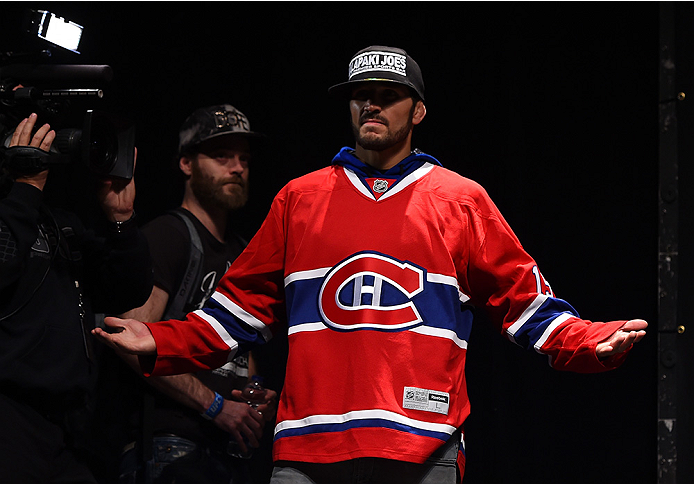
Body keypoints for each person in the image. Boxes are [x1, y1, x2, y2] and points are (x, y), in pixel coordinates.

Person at [93, 45, 648, 484]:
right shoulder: (300, 199)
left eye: (387, 94)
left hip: (422, 447)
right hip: (309, 451)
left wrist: (588, 342)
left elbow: (526, 303)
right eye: (361, 95)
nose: (371, 105)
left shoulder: (459, 200)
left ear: (420, 110)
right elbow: (235, 313)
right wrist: (160, 342)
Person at [114, 104, 277, 484]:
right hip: (170, 447)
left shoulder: (243, 252)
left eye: (244, 158)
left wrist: (254, 397)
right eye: (222, 156)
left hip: (225, 449)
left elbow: (242, 350)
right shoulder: (169, 235)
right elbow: (131, 339)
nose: (237, 167)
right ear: (186, 164)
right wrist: (216, 406)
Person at [0, 112, 153, 483]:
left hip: (70, 427)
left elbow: (126, 290)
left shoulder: (59, 220)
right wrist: (25, 187)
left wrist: (121, 218)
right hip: (10, 420)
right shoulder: (16, 208)